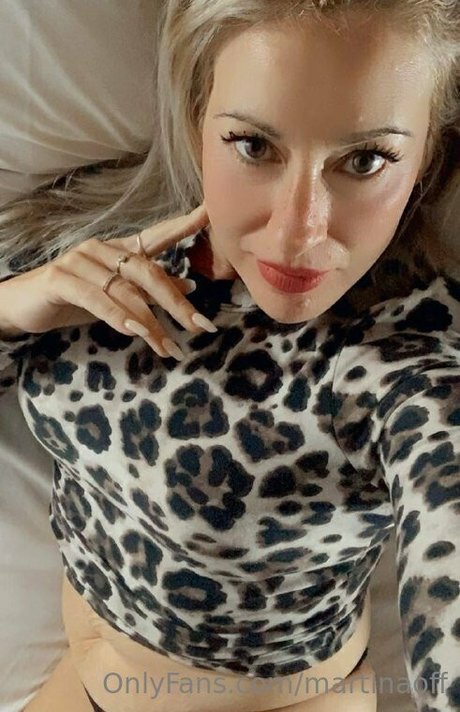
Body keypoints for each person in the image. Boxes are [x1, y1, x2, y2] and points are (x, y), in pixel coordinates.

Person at [0, 1, 458, 711]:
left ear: (427, 155)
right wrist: (11, 311)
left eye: (365, 160)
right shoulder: (88, 240)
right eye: (253, 145)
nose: (299, 232)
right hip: (74, 686)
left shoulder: (410, 359)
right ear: (196, 119)